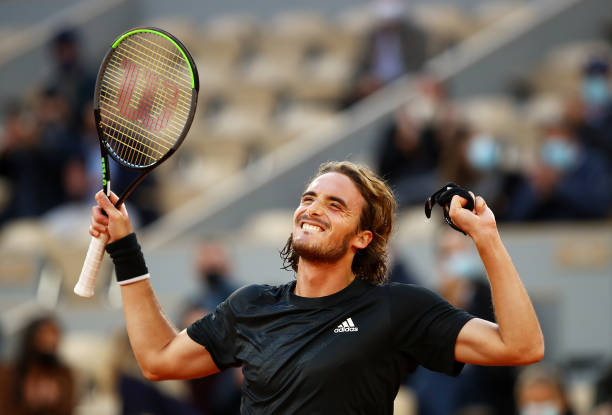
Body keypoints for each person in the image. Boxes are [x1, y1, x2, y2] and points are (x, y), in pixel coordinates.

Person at [88, 160, 544, 414]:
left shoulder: (396, 308)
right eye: (308, 198)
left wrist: (486, 239)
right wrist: (126, 249)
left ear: (362, 238)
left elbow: (521, 346)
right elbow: (158, 360)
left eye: (334, 205)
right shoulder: (250, 306)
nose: (312, 208)